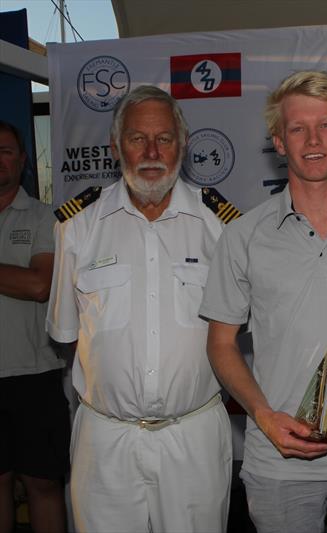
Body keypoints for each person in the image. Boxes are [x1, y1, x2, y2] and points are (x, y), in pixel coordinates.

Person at [200, 70, 327, 533]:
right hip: (278, 459)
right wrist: (265, 417)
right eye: (298, 128)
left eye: (326, 126)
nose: (313, 140)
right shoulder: (243, 237)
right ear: (279, 140)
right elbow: (221, 344)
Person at [46, 86, 233, 532]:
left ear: (182, 145)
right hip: (106, 441)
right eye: (136, 139)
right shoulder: (77, 226)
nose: (151, 152)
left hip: (193, 437)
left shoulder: (221, 228)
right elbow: (66, 335)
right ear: (116, 146)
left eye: (164, 139)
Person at [0, 120, 69, 533]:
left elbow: (39, 284)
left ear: (23, 160)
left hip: (33, 375)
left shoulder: (47, 217)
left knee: (43, 485)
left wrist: (21, 279)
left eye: (5, 150)